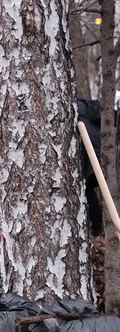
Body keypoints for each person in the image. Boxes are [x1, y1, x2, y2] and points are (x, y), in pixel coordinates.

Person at [76, 97, 103, 236]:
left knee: (84, 186)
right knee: (86, 188)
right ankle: (98, 228)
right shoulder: (89, 108)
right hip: (103, 156)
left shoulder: (75, 109)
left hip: (95, 158)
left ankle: (97, 229)